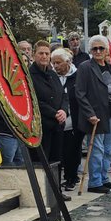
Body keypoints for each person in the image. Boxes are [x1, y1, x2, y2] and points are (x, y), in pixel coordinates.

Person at [74, 34, 111, 193]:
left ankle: (103, 178)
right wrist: (89, 114)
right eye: (95, 48)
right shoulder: (85, 67)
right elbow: (80, 93)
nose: (98, 51)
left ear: (107, 50)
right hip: (96, 115)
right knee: (97, 150)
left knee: (108, 149)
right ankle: (94, 182)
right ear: (91, 50)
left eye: (101, 48)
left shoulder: (110, 66)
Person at [30, 39, 70, 200]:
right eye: (41, 53)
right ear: (34, 55)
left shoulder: (52, 73)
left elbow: (63, 95)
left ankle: (56, 192)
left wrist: (63, 111)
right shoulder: (29, 75)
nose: (44, 56)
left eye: (47, 53)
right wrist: (54, 112)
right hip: (42, 126)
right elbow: (34, 100)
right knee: (43, 160)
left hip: (57, 125)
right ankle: (43, 193)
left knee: (57, 160)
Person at [51, 48, 81, 190]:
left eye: (58, 63)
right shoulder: (52, 76)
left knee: (72, 150)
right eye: (54, 63)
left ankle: (71, 177)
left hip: (73, 119)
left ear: (67, 62)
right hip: (57, 118)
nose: (56, 66)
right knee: (59, 151)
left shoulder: (77, 75)